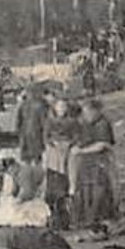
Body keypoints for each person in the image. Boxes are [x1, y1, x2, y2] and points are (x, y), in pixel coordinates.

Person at [69, 98, 116, 230]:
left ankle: (101, 219)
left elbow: (103, 144)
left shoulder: (103, 124)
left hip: (100, 161)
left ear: (95, 111)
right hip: (86, 162)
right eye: (84, 112)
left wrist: (81, 151)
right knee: (85, 189)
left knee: (99, 190)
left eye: (88, 112)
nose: (86, 115)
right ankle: (88, 220)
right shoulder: (85, 123)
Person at [41, 96, 80, 229]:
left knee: (66, 177)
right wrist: (52, 144)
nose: (61, 109)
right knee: (53, 177)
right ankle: (54, 214)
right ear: (55, 108)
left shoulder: (72, 122)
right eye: (59, 107)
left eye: (64, 107)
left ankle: (66, 215)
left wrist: (68, 144)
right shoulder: (49, 121)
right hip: (53, 151)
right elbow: (46, 137)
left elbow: (76, 136)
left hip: (66, 149)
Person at [15, 85, 48, 164]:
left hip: (25, 132)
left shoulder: (23, 104)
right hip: (36, 132)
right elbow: (44, 122)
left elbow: (18, 120)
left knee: (27, 157)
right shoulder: (41, 105)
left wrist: (18, 131)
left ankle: (28, 169)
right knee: (36, 156)